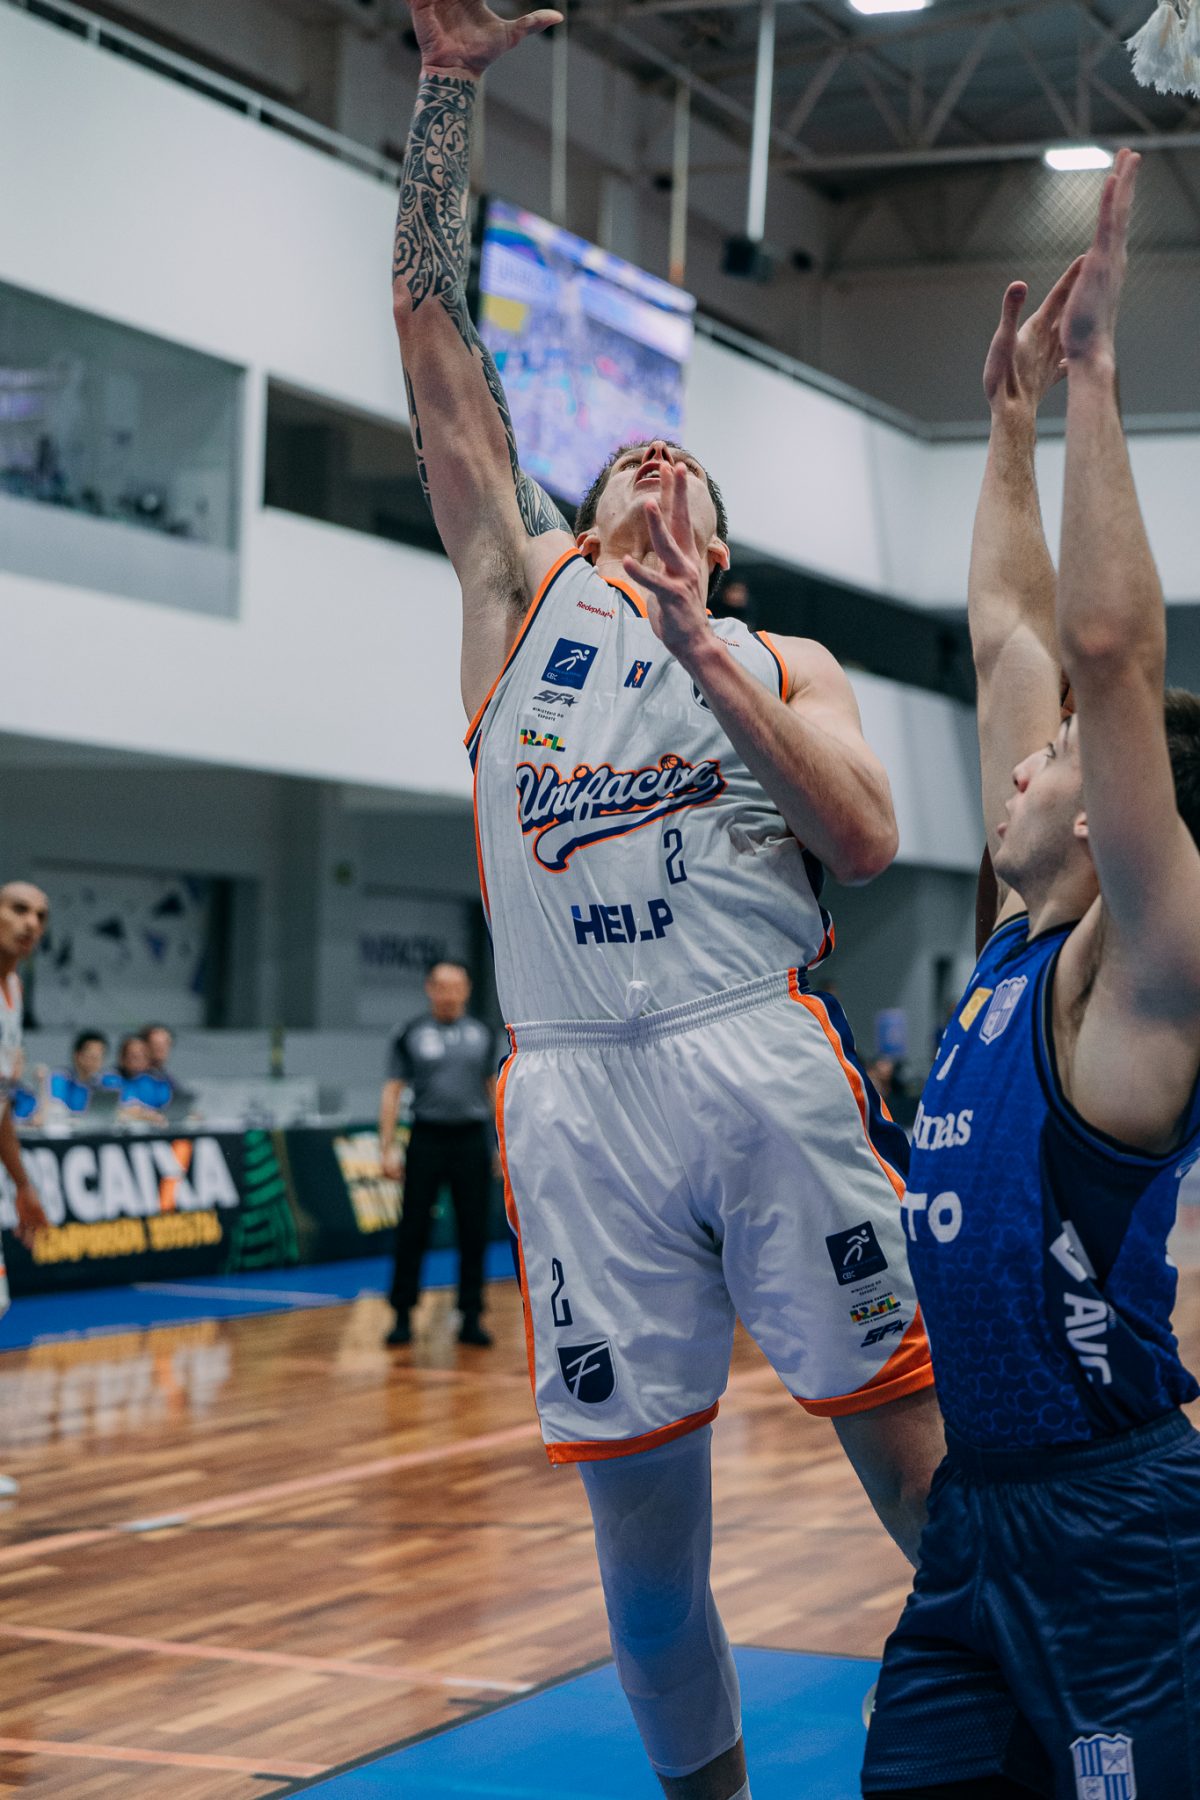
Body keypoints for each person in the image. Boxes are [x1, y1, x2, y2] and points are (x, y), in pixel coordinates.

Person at [391, 7, 943, 1795]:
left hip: (754, 1056)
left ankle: (1056, 1746)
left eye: (678, 459)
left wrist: (708, 654)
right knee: (641, 1554)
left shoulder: (784, 659)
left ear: (719, 531)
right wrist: (447, 88)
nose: (647, 454)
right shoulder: (519, 591)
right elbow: (431, 336)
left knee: (920, 1479)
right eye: (623, 453)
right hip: (574, 1086)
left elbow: (867, 839)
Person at [862, 152, 1200, 1798]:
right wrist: (1003, 428)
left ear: (1119, 810)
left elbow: (1108, 655)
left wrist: (1097, 375)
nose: (1024, 759)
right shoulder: (1016, 929)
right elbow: (1012, 630)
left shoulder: (1132, 980)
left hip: (1114, 1532)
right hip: (974, 1522)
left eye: (1058, 756)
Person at [379, 960, 497, 1348]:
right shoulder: (410, 1032)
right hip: (426, 1137)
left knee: (473, 1230)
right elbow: (392, 1090)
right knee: (413, 1228)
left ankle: (471, 1315)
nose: (449, 994)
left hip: (471, 1140)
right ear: (430, 989)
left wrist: (501, 1144)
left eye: (457, 986)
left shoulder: (482, 1033)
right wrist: (386, 1148)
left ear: (467, 990)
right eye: (442, 986)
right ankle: (401, 1314)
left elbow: (493, 1089)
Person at [0, 880, 52, 1497]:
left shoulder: (13, 995)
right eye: (17, 909)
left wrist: (22, 1184)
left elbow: (2, 1110)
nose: (31, 923)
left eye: (40, 915)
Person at [49, 1030, 110, 1114]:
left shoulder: (102, 1082)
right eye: (92, 1056)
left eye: (99, 1057)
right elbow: (55, 1109)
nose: (96, 1061)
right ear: (77, 1055)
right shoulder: (60, 1077)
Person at [114, 1033, 171, 1112]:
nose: (138, 1059)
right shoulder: (109, 1081)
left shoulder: (158, 1084)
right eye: (132, 1055)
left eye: (142, 1055)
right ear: (122, 1058)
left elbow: (169, 1110)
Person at [140, 1023, 175, 1097]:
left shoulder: (166, 1077)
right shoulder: (135, 1076)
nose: (162, 1049)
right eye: (156, 1044)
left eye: (165, 1044)